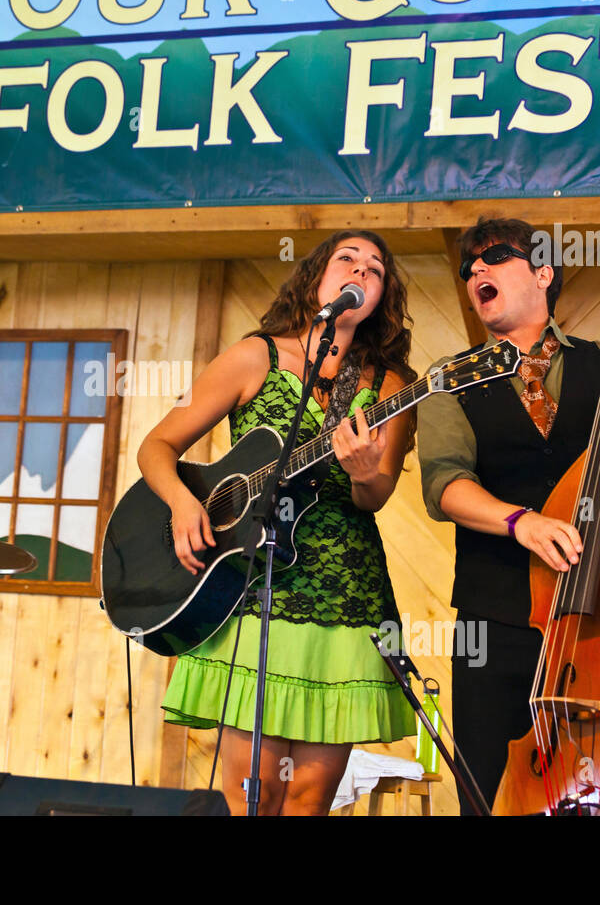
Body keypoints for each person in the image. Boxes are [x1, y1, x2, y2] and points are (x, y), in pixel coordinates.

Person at [416, 216, 600, 812]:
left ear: (543, 272)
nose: (476, 270)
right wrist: (520, 521)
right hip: (495, 623)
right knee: (488, 794)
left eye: (494, 257)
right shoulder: (449, 378)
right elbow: (444, 482)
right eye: (468, 266)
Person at [138, 230, 419, 816]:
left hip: (345, 596)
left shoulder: (389, 383)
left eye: (376, 268)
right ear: (318, 276)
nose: (362, 270)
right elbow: (157, 446)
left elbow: (376, 496)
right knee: (252, 796)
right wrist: (185, 504)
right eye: (348, 258)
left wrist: (366, 472)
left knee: (310, 801)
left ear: (381, 296)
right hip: (254, 584)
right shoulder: (254, 356)